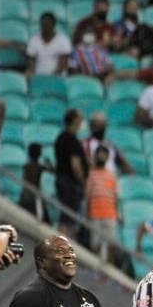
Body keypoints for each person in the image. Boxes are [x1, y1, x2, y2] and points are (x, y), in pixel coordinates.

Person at [54, 109, 88, 238]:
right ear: (74, 121)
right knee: (68, 218)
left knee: (66, 215)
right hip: (70, 183)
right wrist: (83, 182)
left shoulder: (60, 138)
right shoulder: (72, 140)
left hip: (61, 179)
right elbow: (76, 166)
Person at [85, 146, 119, 262]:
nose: (101, 157)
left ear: (107, 157)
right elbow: (88, 196)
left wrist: (118, 213)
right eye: (99, 154)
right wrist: (87, 213)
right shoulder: (91, 174)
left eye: (104, 155)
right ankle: (95, 270)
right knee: (95, 245)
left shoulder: (111, 175)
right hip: (95, 214)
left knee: (111, 245)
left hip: (110, 214)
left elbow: (115, 196)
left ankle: (109, 270)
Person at [20, 143, 54, 223]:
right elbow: (53, 170)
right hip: (36, 196)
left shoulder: (26, 166)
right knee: (42, 220)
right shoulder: (40, 167)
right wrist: (49, 163)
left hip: (25, 194)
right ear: (39, 154)